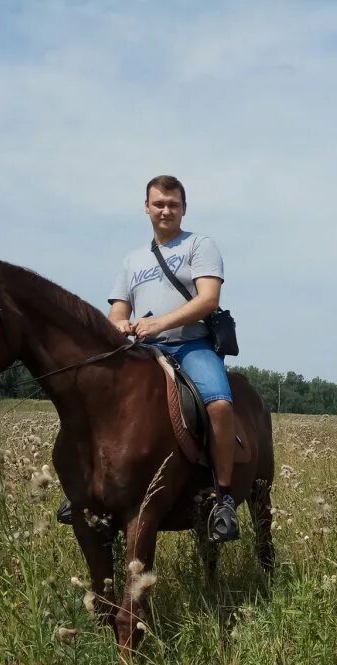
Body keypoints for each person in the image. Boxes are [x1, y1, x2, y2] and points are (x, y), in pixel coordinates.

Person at [108, 175, 240, 542]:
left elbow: (207, 299)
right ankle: (89, 489)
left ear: (183, 208)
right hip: (142, 351)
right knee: (94, 397)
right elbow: (117, 312)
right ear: (146, 207)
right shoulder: (132, 260)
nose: (166, 210)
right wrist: (120, 326)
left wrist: (160, 323)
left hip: (190, 346)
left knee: (220, 405)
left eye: (173, 205)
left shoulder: (200, 245)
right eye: (159, 204)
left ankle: (225, 497)